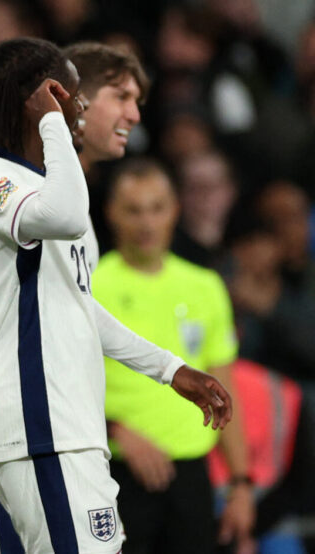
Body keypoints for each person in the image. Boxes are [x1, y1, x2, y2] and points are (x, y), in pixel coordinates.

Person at [0, 37, 232, 552]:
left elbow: (77, 308)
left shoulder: (37, 182)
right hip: (34, 421)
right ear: (41, 100)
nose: (76, 112)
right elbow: (65, 216)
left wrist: (169, 370)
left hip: (67, 424)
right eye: (70, 99)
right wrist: (52, 122)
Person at [0, 41, 149, 553]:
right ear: (59, 95)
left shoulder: (47, 179)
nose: (132, 111)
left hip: (29, 417)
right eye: (118, 95)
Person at [95, 158, 254, 553]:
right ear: (111, 213)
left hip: (190, 477)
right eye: (133, 210)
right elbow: (56, 384)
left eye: (157, 208)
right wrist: (117, 433)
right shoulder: (90, 285)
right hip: (113, 471)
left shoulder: (205, 285)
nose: (146, 223)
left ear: (175, 211)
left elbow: (223, 385)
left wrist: (240, 483)